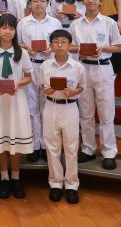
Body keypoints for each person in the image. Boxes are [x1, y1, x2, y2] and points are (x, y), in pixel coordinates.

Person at [0, 14, 33, 199]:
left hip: (16, 100)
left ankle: (16, 178)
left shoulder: (22, 53)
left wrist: (18, 83)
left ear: (15, 31)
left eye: (11, 28)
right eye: (4, 28)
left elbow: (28, 77)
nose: (7, 31)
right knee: (1, 139)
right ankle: (4, 178)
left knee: (15, 139)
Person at [70, 0, 121, 170]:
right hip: (83, 69)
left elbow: (119, 47)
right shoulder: (75, 24)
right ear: (82, 1)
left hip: (103, 69)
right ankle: (88, 149)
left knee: (106, 114)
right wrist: (79, 49)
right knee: (85, 113)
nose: (91, 0)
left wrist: (103, 48)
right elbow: (71, 47)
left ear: (101, 1)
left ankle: (109, 152)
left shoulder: (109, 23)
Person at [38, 29, 86, 204]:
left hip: (70, 108)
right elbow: (42, 86)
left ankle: (72, 185)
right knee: (52, 147)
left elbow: (82, 86)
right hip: (51, 106)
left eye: (63, 42)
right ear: (51, 45)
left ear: (70, 45)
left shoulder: (78, 67)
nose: (59, 45)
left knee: (71, 148)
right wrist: (46, 90)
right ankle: (56, 183)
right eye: (56, 42)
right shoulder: (45, 66)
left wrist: (75, 91)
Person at [16, 0, 62, 162]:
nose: (39, 4)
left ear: (48, 3)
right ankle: (35, 145)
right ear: (30, 3)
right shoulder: (23, 23)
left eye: (43, 1)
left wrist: (52, 48)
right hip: (30, 66)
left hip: (49, 66)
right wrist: (25, 47)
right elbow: (17, 43)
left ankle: (46, 145)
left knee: (47, 106)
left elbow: (60, 43)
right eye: (35, 1)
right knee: (32, 106)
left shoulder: (55, 23)